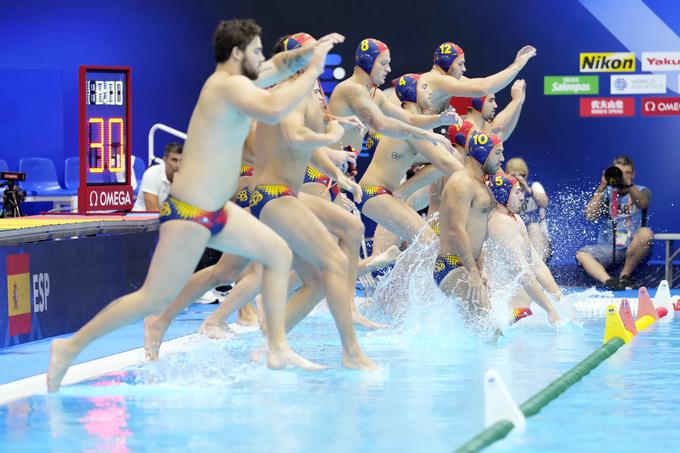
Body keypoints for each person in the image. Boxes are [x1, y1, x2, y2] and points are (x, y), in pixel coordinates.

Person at [47, 19, 344, 391]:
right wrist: (313, 70)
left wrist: (310, 53)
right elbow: (272, 108)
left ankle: (277, 347)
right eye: (256, 50)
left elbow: (279, 67)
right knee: (150, 298)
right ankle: (70, 346)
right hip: (188, 212)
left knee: (276, 253)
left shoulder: (242, 79)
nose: (262, 57)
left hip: (218, 210)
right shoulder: (226, 87)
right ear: (237, 54)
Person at [357, 73, 463, 245]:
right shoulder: (409, 129)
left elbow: (443, 159)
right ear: (411, 92)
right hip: (374, 192)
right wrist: (477, 181)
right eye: (424, 87)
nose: (430, 92)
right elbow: (443, 161)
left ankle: (389, 263)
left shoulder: (411, 125)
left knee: (425, 246)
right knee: (429, 245)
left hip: (383, 193)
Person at [328, 38, 457, 153]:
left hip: (344, 168)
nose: (389, 69)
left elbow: (409, 119)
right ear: (367, 63)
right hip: (320, 173)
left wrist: (440, 120)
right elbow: (381, 124)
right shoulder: (351, 89)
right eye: (384, 63)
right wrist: (427, 135)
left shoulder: (376, 95)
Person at [433, 131, 504, 332]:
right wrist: (472, 272)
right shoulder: (461, 183)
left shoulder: (479, 184)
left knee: (477, 331)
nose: (502, 159)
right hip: (453, 265)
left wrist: (480, 270)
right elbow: (457, 231)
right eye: (498, 153)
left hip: (466, 265)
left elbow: (477, 232)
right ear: (483, 153)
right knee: (491, 331)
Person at [483, 173, 561, 326]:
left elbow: (537, 264)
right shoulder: (499, 224)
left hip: (518, 312)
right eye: (517, 192)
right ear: (503, 195)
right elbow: (522, 273)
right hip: (504, 313)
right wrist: (551, 310)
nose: (522, 197)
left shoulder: (515, 219)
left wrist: (559, 299)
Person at [576, 155, 652, 290]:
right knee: (582, 255)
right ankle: (610, 282)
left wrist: (628, 185)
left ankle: (625, 277)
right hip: (608, 247)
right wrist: (602, 187)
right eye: (618, 172)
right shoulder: (606, 193)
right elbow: (590, 216)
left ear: (633, 174)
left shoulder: (641, 190)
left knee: (646, 233)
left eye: (626, 173)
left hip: (632, 246)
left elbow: (643, 203)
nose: (622, 176)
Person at [419, 42, 536, 114]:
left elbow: (488, 87)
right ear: (446, 64)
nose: (464, 69)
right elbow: (484, 87)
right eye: (460, 64)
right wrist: (517, 65)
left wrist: (513, 65)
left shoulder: (445, 81)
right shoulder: (437, 80)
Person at [505, 157, 551, 262]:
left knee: (533, 227)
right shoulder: (506, 191)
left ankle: (538, 268)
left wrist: (527, 188)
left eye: (522, 175)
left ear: (527, 174)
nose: (519, 179)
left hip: (540, 242)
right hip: (518, 239)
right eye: (514, 176)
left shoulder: (534, 186)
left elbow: (544, 202)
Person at [132, 143, 183, 211]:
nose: (178, 165)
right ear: (164, 160)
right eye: (174, 160)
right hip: (142, 219)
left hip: (166, 218)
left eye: (181, 161)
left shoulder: (184, 176)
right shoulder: (152, 174)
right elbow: (152, 211)